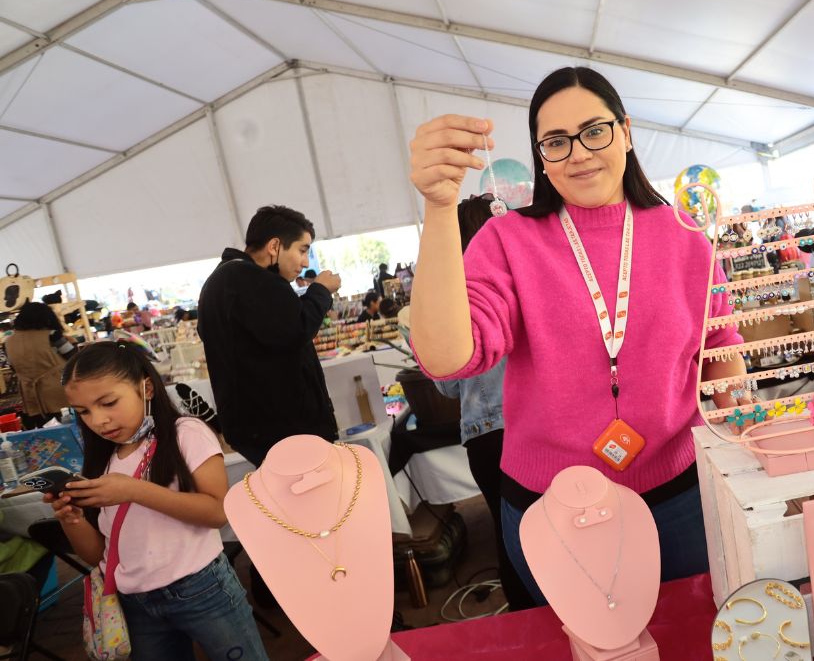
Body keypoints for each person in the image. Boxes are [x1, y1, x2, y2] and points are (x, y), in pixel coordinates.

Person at [407, 66, 750, 604]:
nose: (579, 153)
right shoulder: (508, 241)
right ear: (541, 155)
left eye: (595, 131)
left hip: (678, 498)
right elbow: (447, 356)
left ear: (627, 130)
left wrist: (741, 432)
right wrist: (438, 206)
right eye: (557, 142)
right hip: (553, 508)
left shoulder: (685, 237)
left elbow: (720, 347)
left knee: (691, 633)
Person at [46, 342, 267, 660]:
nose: (99, 420)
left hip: (202, 588)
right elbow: (98, 554)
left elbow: (218, 512)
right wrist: (72, 519)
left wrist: (134, 491)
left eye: (108, 402)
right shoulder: (101, 458)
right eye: (83, 412)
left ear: (146, 388)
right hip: (135, 601)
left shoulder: (186, 433)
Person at [433, 196, 535, 611]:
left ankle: (528, 625)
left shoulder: (450, 300)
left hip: (485, 434)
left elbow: (447, 389)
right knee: (559, 531)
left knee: (507, 533)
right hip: (537, 422)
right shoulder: (529, 276)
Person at [198, 205, 342, 466]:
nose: (305, 262)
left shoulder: (220, 280)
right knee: (314, 503)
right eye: (302, 249)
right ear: (275, 246)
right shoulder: (248, 278)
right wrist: (320, 290)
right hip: (283, 430)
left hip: (257, 428)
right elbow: (296, 328)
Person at [6, 302, 74, 429]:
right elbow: (73, 357)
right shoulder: (52, 334)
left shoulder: (9, 341)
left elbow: (13, 367)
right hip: (58, 391)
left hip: (29, 395)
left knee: (45, 432)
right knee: (69, 426)